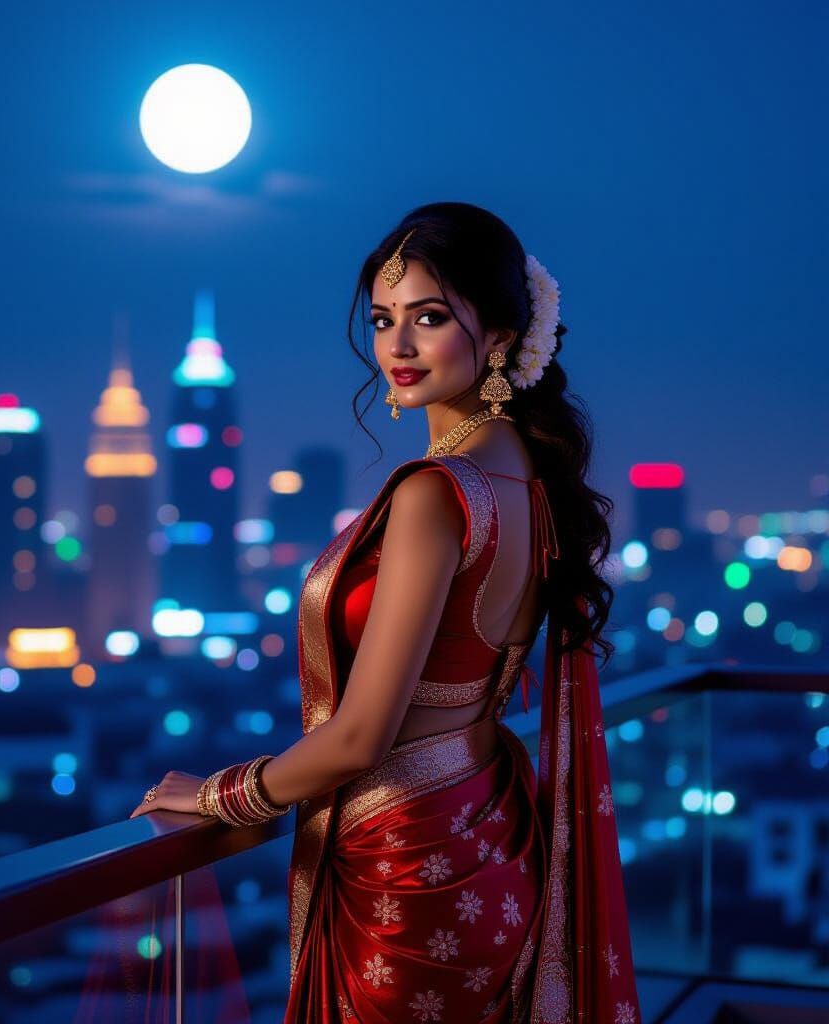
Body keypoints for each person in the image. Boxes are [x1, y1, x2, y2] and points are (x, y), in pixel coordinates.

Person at [130, 202, 642, 1023]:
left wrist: (220, 797)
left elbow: (363, 735)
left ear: (505, 337)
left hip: (408, 875)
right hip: (489, 835)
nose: (397, 347)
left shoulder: (435, 495)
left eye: (430, 318)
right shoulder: (527, 479)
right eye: (383, 319)